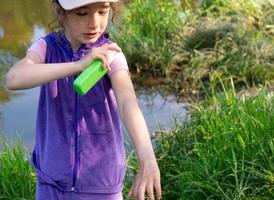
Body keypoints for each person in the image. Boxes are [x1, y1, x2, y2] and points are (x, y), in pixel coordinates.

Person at [5, 0, 161, 199]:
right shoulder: (46, 47)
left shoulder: (110, 54)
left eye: (102, 11)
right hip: (51, 184)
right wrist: (77, 66)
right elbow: (14, 78)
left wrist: (147, 156)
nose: (94, 23)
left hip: (101, 185)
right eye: (82, 13)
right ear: (61, 12)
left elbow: (127, 102)